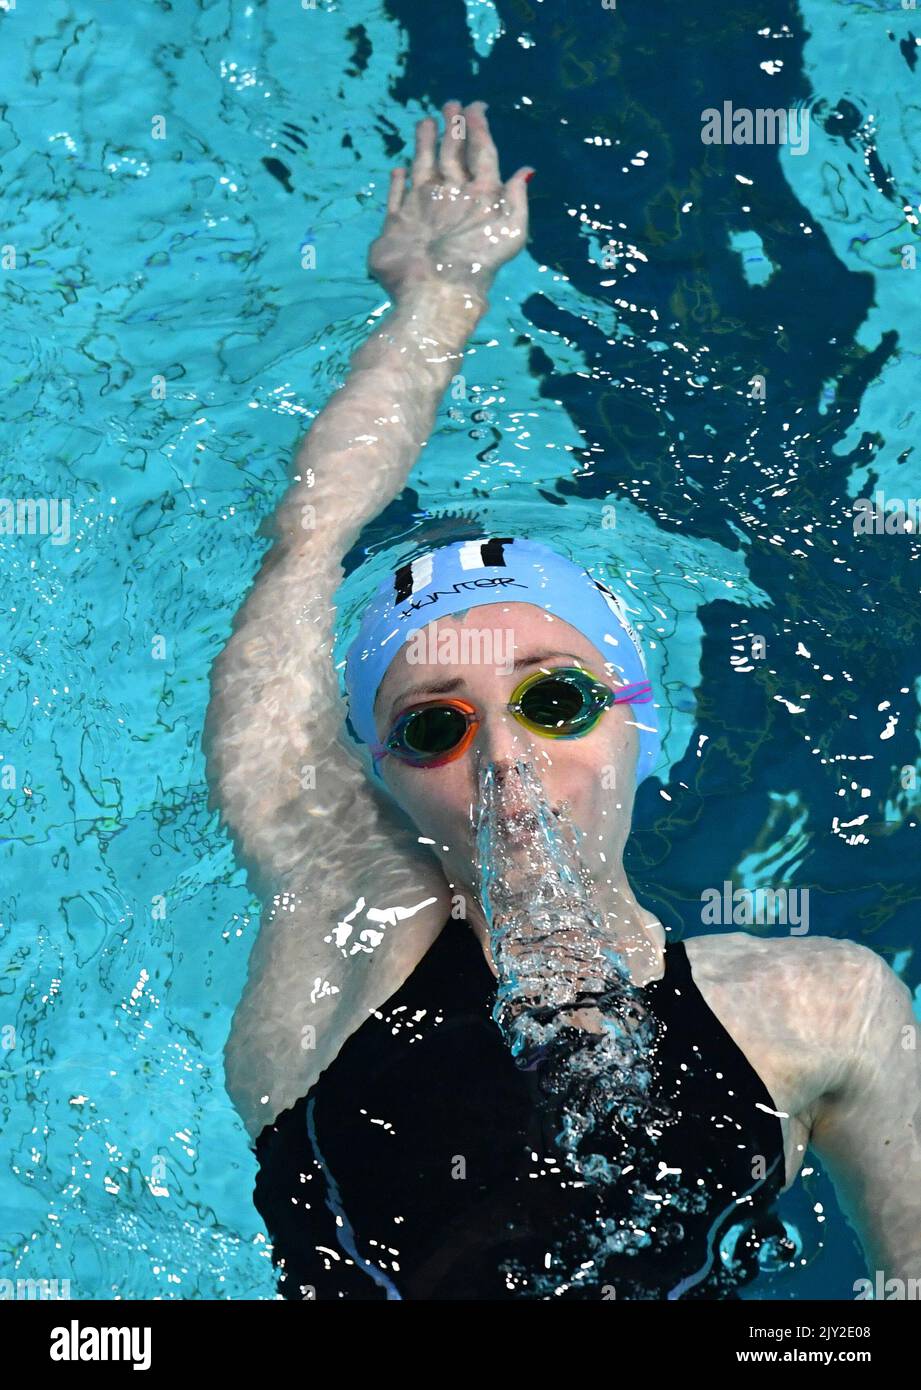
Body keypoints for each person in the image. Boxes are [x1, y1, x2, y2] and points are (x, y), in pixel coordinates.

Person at [205, 101, 921, 1300]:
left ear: (644, 721)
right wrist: (433, 307)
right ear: (379, 770)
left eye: (556, 699)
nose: (505, 760)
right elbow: (305, 547)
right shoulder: (344, 936)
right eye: (437, 722)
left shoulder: (818, 1008)